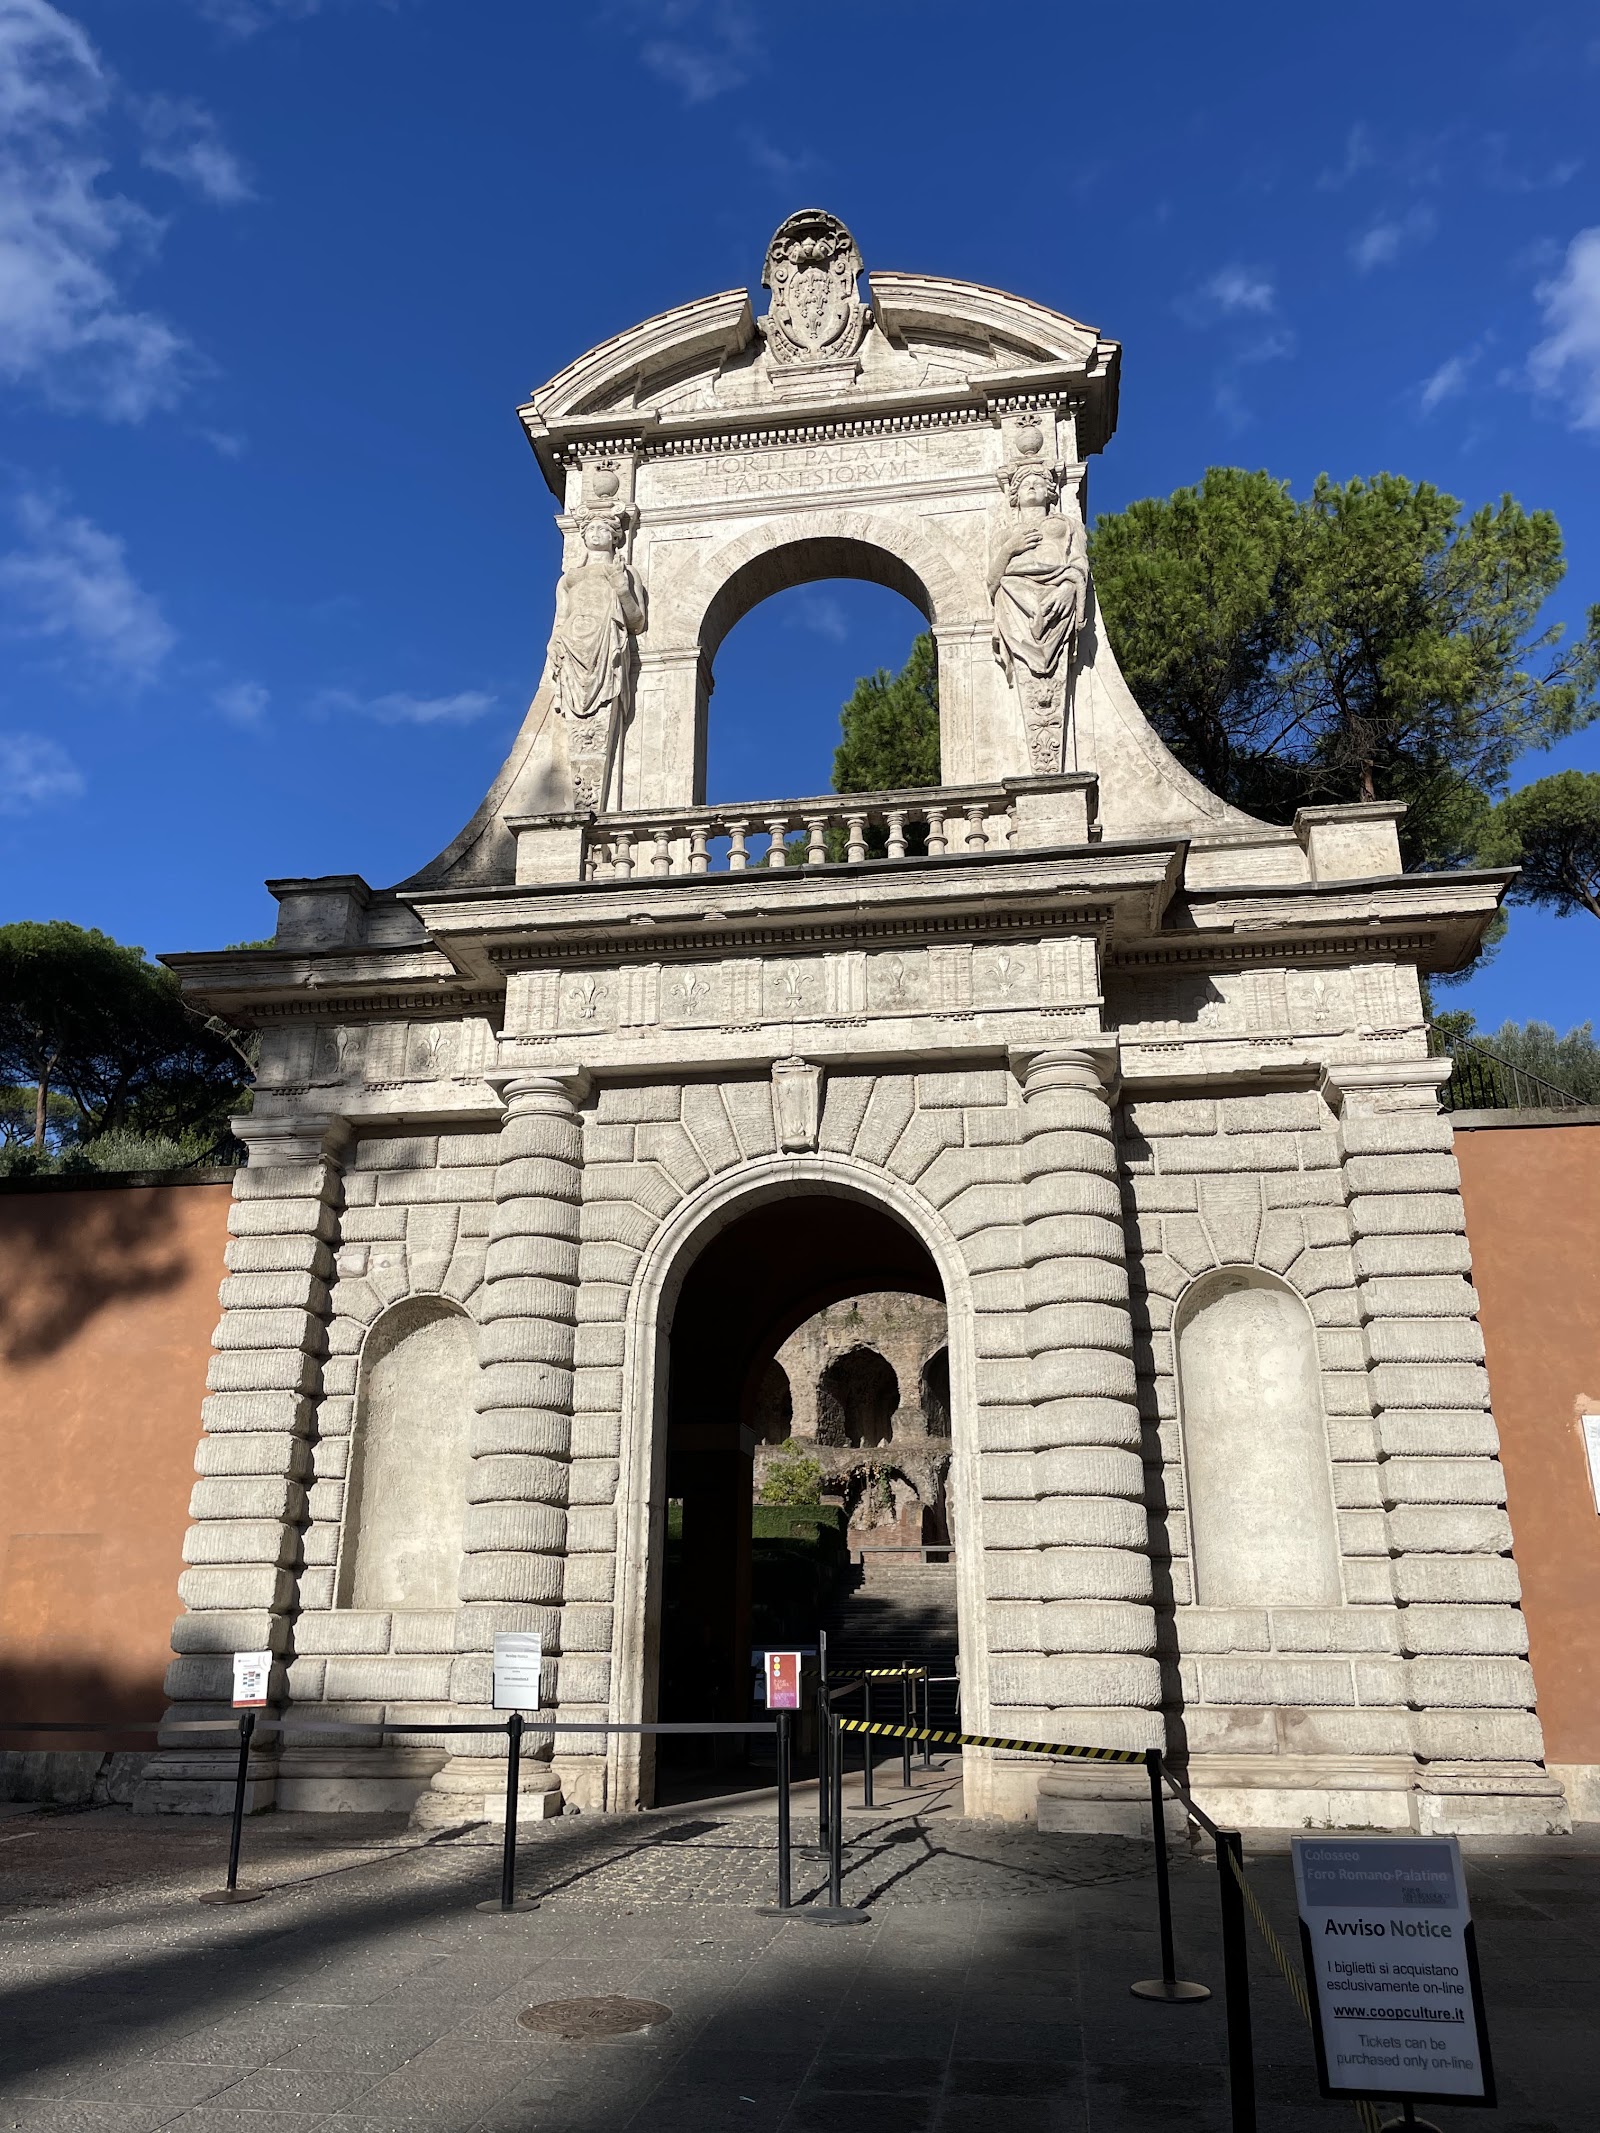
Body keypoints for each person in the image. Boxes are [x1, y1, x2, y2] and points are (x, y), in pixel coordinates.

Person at [549, 514, 645, 804]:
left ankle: (592, 802)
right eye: (590, 528)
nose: (595, 533)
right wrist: (553, 644)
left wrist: (621, 588)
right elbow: (559, 620)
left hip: (606, 646)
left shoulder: (625, 572)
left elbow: (637, 620)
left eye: (603, 528)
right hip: (572, 646)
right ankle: (582, 801)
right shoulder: (569, 579)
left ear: (615, 537)